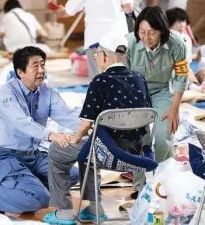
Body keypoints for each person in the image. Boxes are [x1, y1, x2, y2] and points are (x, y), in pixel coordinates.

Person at [43, 30, 152, 225]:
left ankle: (65, 211)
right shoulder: (139, 78)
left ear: (103, 55)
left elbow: (85, 124)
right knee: (89, 146)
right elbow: (147, 114)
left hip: (108, 155)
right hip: (138, 153)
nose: (96, 59)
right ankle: (94, 208)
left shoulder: (100, 81)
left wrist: (74, 138)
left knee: (58, 151)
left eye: (96, 55)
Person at [0, 46, 79, 213]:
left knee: (72, 174)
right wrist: (52, 135)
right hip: (4, 156)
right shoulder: (6, 93)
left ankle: (27, 187)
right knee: (40, 199)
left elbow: (67, 115)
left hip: (34, 155)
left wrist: (92, 127)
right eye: (35, 66)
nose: (41, 70)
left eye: (42, 65)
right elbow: (21, 122)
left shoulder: (47, 91)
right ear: (20, 72)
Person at [125, 6, 188, 198]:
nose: (146, 37)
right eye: (142, 32)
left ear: (162, 29)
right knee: (137, 139)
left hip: (162, 91)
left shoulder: (177, 43)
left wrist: (174, 109)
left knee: (163, 137)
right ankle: (140, 187)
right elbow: (124, 76)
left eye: (152, 32)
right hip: (136, 92)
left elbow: (181, 77)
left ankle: (162, 185)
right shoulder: (129, 43)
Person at [53, 0, 134, 81]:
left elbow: (68, 11)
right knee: (122, 74)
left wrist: (59, 11)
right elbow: (128, 7)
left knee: (97, 79)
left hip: (95, 36)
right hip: (118, 34)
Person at [166, 7, 204, 92]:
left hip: (185, 72)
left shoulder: (187, 38)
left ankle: (196, 86)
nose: (182, 25)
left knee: (203, 72)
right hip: (170, 75)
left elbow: (188, 63)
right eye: (178, 22)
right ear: (170, 23)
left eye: (184, 21)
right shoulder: (165, 39)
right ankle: (194, 87)